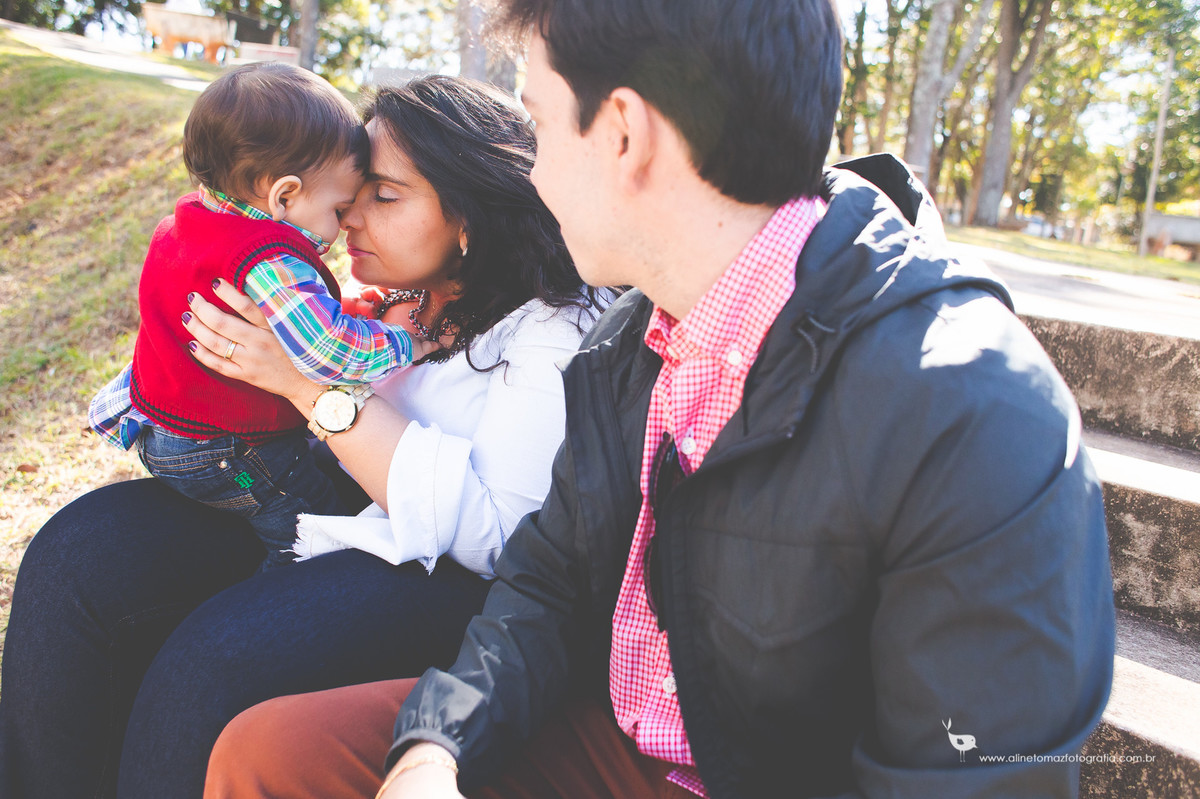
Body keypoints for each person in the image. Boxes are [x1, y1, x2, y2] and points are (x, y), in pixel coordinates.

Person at [202, 0, 1116, 798]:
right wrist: (436, 748)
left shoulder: (976, 411)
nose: (530, 171)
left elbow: (981, 778)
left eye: (539, 126)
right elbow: (547, 586)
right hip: (616, 738)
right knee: (273, 757)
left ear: (626, 134)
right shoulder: (628, 341)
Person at [0, 75, 603, 799]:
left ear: (467, 217)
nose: (347, 217)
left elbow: (504, 536)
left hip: (445, 577)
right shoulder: (402, 290)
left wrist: (310, 389)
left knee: (215, 660)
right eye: (350, 195)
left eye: (382, 195)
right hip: (316, 504)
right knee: (76, 553)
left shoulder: (551, 324)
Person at [88, 62, 440, 570]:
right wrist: (406, 342)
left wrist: (341, 312)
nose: (344, 226)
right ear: (285, 195)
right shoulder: (268, 259)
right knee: (311, 523)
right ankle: (274, 601)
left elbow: (276, 318)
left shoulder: (188, 223)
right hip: (228, 451)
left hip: (162, 428)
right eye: (339, 209)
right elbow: (327, 352)